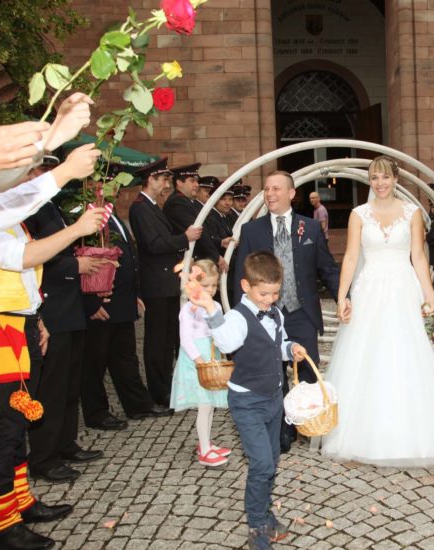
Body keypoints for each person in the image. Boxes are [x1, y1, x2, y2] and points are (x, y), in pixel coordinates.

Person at [320, 155, 434, 467]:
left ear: (395, 179)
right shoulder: (358, 214)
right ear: (369, 181)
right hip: (369, 291)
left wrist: (430, 297)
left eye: (385, 177)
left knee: (409, 355)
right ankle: (362, 436)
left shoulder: (412, 212)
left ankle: (417, 436)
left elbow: (418, 256)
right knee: (368, 356)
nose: (380, 183)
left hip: (405, 290)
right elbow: (350, 257)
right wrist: (342, 297)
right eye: (374, 177)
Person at [0, 208, 103, 548]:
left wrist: (38, 319)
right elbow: (21, 258)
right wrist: (76, 229)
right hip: (1, 328)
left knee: (18, 427)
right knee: (6, 430)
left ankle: (20, 502)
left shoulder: (10, 218)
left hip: (24, 323)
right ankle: (2, 526)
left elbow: (26, 278)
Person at [192, 251, 306, 550]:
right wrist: (211, 309)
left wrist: (291, 348)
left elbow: (277, 344)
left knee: (272, 459)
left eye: (275, 293)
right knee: (262, 465)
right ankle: (257, 525)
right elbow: (227, 342)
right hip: (247, 402)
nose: (270, 299)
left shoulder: (276, 313)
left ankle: (265, 513)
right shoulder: (236, 317)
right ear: (246, 285)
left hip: (274, 399)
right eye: (264, 293)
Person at [232, 171, 340, 453]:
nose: (270, 194)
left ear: (291, 193)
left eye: (276, 189)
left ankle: (307, 423)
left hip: (302, 312)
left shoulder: (310, 228)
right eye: (267, 189)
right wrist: (241, 318)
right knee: (272, 374)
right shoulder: (251, 230)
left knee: (307, 371)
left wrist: (344, 297)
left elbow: (327, 268)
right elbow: (239, 277)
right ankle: (281, 430)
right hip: (265, 315)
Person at [24, 155, 106, 484]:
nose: (47, 174)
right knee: (52, 391)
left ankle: (66, 443)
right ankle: (44, 457)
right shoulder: (27, 208)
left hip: (69, 308)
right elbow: (32, 258)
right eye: (42, 169)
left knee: (70, 385)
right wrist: (76, 266)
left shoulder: (48, 205)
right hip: (51, 310)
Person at [81, 171, 171, 430]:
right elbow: (85, 260)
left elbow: (130, 258)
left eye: (113, 184)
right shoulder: (88, 216)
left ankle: (138, 404)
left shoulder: (112, 214)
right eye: (104, 184)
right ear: (92, 187)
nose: (111, 189)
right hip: (102, 301)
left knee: (125, 358)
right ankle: (96, 413)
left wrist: (135, 294)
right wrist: (91, 303)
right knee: (95, 362)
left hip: (122, 300)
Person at [129, 158, 202, 408]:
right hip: (156, 284)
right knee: (157, 342)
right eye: (162, 180)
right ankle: (158, 391)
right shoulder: (140, 208)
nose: (166, 185)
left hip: (166, 282)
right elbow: (154, 244)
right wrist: (184, 238)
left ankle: (167, 387)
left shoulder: (152, 207)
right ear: (150, 180)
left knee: (168, 339)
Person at [172, 259, 231, 467]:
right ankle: (204, 449)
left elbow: (220, 331)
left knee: (211, 404)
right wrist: (200, 362)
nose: (211, 290)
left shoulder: (215, 306)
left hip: (212, 356)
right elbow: (186, 340)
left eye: (214, 285)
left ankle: (207, 443)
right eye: (206, 285)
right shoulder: (188, 309)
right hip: (197, 361)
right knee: (204, 405)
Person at [164, 163, 226, 272]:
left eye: (196, 181)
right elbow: (197, 232)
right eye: (192, 181)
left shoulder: (186, 201)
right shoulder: (177, 202)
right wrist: (216, 256)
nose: (197, 185)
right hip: (187, 263)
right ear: (179, 182)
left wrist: (220, 242)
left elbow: (204, 233)